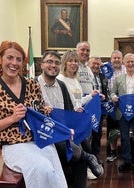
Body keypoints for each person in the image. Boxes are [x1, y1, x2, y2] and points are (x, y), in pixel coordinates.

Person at [0, 41, 68, 188]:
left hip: (39, 141)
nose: (14, 63)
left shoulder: (32, 85)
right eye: (10, 58)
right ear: (0, 59)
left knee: (54, 172)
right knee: (42, 168)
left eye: (19, 59)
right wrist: (12, 118)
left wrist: (64, 130)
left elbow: (43, 115)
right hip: (14, 145)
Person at [37, 51, 104, 187]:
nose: (53, 65)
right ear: (42, 65)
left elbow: (70, 108)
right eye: (50, 62)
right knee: (77, 151)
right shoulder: (33, 85)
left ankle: (87, 157)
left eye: (56, 62)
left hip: (63, 131)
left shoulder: (62, 86)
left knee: (79, 148)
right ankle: (88, 156)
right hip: (44, 133)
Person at [57, 50, 101, 180]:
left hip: (76, 119)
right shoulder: (60, 79)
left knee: (85, 145)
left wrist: (90, 96)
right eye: (70, 60)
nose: (73, 63)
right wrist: (74, 109)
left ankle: (87, 168)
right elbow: (61, 103)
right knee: (82, 147)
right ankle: (87, 167)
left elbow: (78, 101)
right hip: (67, 120)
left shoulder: (75, 80)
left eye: (75, 61)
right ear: (64, 63)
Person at [111, 53, 134, 174]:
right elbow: (112, 93)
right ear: (124, 63)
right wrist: (114, 97)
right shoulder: (118, 78)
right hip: (122, 113)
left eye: (132, 61)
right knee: (125, 138)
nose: (130, 64)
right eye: (128, 62)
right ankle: (127, 162)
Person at [88, 56, 109, 164]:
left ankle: (95, 156)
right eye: (94, 63)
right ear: (89, 64)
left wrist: (105, 97)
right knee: (87, 134)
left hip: (99, 110)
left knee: (97, 133)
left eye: (98, 64)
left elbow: (105, 91)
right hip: (86, 109)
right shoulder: (85, 76)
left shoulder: (103, 76)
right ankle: (87, 157)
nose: (96, 66)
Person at [106, 50, 125, 162]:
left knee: (124, 128)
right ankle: (112, 151)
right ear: (111, 59)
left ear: (122, 59)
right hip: (111, 106)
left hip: (124, 106)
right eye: (114, 58)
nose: (117, 60)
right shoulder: (106, 70)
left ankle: (124, 151)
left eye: (119, 58)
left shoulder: (126, 70)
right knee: (112, 129)